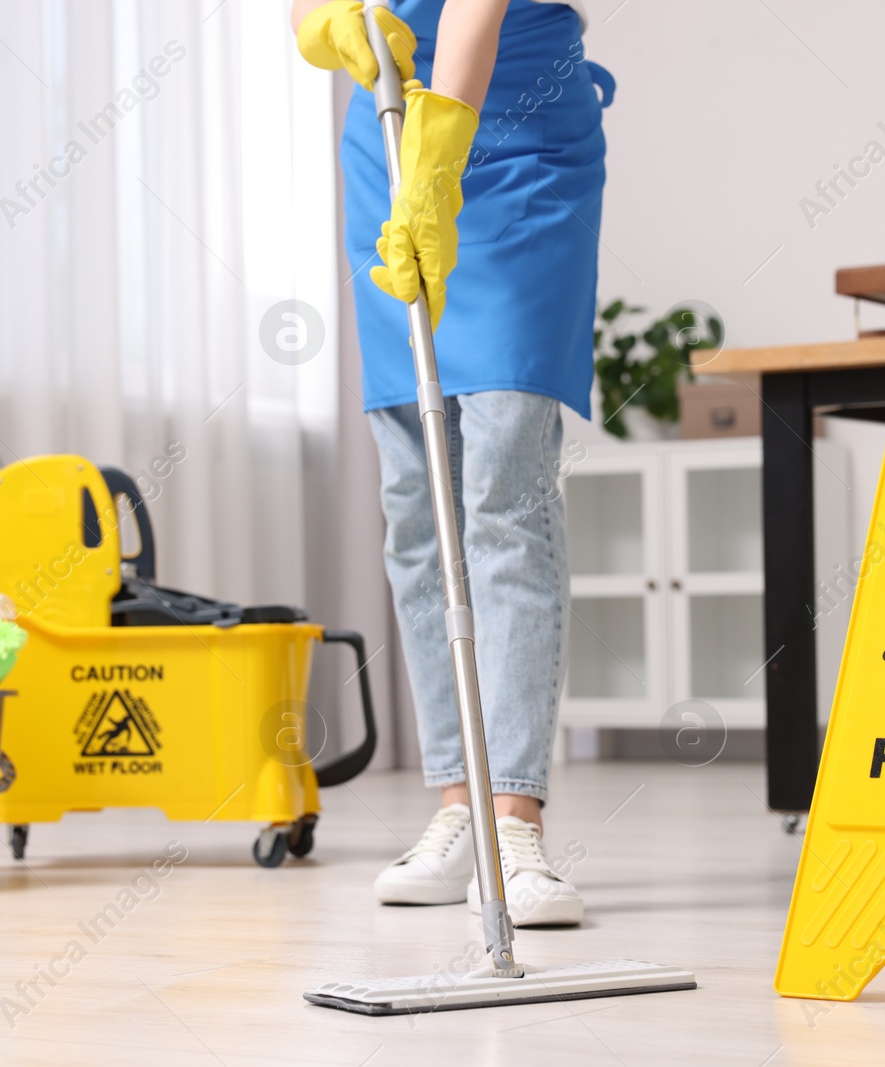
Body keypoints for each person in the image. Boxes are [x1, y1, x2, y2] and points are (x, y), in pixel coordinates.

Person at [291, 0, 609, 926]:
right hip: (388, 137)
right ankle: (456, 806)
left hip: (521, 128)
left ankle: (514, 818)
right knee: (415, 492)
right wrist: (329, 26)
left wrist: (442, 158)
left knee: (504, 480)